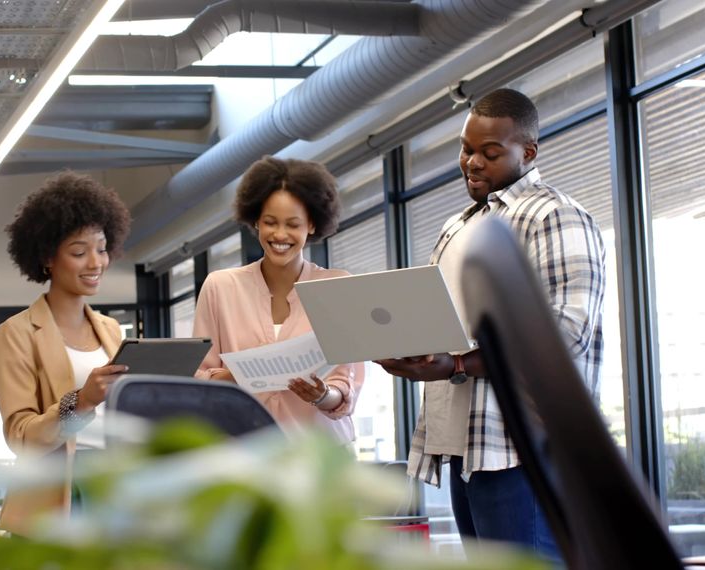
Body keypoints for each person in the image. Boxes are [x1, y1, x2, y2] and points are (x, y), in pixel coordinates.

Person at [377, 88, 606, 558]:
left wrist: (456, 363)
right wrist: (408, 347)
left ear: (529, 152)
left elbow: (567, 336)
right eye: (466, 150)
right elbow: (445, 323)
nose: (472, 163)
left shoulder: (555, 216)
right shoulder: (456, 227)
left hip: (522, 448)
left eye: (490, 152)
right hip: (467, 446)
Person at [0, 171, 131, 532]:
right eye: (79, 252)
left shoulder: (111, 331)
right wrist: (80, 402)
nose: (95, 263)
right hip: (53, 502)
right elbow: (21, 437)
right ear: (47, 257)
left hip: (116, 489)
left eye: (101, 249)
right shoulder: (17, 334)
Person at [192, 156, 364, 445]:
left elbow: (345, 388)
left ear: (311, 225)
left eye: (292, 224)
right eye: (270, 222)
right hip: (243, 457)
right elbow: (197, 378)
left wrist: (321, 395)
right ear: (256, 221)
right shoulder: (220, 287)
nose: (280, 235)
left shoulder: (338, 286)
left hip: (318, 460)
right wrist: (236, 378)